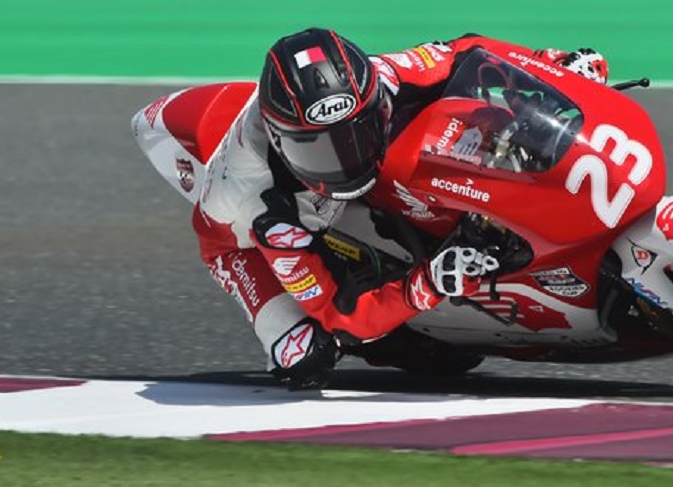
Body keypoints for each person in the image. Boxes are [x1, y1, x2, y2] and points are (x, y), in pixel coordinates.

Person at [191, 29, 609, 389]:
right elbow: (339, 311)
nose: (347, 160)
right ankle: (387, 302)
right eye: (321, 152)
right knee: (308, 356)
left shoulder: (381, 75)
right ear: (282, 143)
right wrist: (425, 285)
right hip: (240, 245)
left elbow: (467, 50)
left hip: (329, 191)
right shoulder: (268, 210)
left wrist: (553, 63)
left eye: (358, 133)